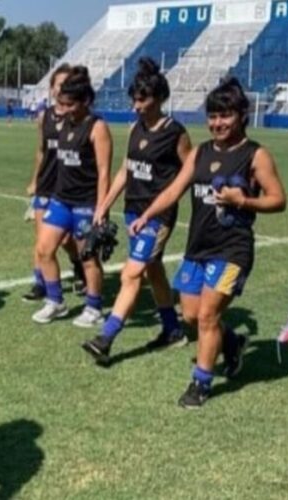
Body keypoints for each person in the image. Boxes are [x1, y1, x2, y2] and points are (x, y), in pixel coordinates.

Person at [131, 77, 287, 408]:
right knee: (190, 315)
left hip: (233, 249)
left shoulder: (255, 155)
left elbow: (278, 200)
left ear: (242, 115)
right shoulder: (200, 152)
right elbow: (174, 190)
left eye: (225, 116)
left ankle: (200, 384)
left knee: (207, 316)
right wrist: (147, 215)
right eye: (213, 116)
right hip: (197, 247)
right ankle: (231, 344)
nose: (217, 123)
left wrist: (242, 201)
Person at [82, 57, 193, 363]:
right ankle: (172, 330)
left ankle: (106, 337)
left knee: (132, 274)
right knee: (153, 270)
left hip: (157, 217)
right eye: (134, 100)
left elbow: (190, 173)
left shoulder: (176, 133)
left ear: (159, 99)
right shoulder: (135, 128)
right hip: (133, 213)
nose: (136, 106)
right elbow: (125, 171)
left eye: (142, 100)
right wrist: (104, 206)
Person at [31, 66, 112, 328]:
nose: (63, 109)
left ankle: (94, 307)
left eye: (68, 105)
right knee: (44, 250)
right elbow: (45, 150)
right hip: (61, 200)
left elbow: (103, 172)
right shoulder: (61, 121)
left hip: (86, 204)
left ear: (85, 101)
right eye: (60, 104)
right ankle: (55, 301)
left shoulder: (97, 127)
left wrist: (102, 209)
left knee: (88, 258)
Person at [23, 64, 87, 303]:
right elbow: (41, 151)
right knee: (42, 238)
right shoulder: (44, 117)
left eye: (66, 85)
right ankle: (40, 282)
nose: (61, 89)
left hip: (67, 188)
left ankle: (79, 264)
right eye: (58, 85)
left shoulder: (76, 120)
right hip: (46, 184)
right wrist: (34, 180)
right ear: (51, 90)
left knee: (68, 240)